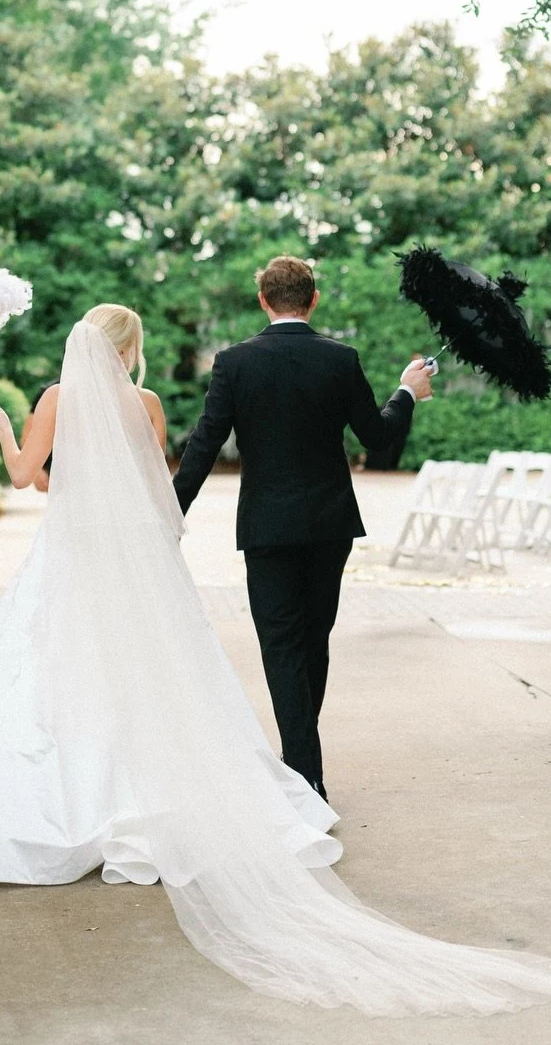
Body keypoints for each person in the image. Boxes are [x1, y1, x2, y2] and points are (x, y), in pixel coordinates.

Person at [0, 302, 551, 1017]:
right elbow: (152, 489)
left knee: (54, 673)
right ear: (127, 349)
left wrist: (4, 428)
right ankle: (159, 786)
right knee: (146, 677)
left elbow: (32, 478)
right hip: (128, 562)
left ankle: (73, 797)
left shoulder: (54, 401)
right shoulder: (145, 404)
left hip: (69, 557)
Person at [171, 254, 430, 798]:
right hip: (328, 524)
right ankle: (303, 768)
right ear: (313, 300)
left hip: (267, 526)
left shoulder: (234, 362)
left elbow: (204, 442)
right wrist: (406, 392)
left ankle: (303, 775)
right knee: (313, 641)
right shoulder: (339, 358)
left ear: (263, 300)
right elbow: (379, 439)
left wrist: (170, 511)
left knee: (283, 646)